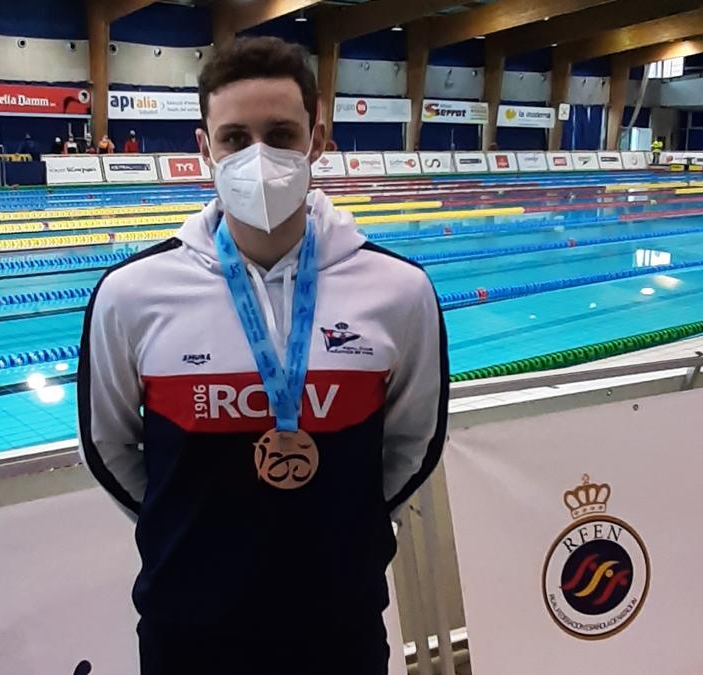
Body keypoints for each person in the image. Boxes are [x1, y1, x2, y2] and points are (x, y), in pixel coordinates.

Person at [78, 36, 446, 675]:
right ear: (204, 149)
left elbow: (415, 442)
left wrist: (340, 515)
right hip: (187, 624)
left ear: (317, 141)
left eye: (280, 133)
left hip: (339, 619)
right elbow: (107, 447)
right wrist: (193, 522)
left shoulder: (398, 291)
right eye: (234, 138)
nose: (258, 156)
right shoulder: (132, 294)